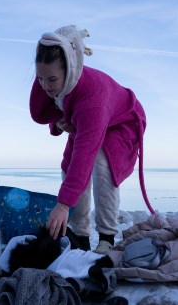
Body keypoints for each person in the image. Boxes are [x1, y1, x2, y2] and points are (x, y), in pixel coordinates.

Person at [30, 25, 148, 254]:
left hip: (122, 120)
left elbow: (85, 157)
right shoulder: (51, 81)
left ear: (71, 69)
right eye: (40, 79)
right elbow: (40, 112)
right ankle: (81, 238)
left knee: (101, 164)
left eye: (52, 80)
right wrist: (59, 121)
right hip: (91, 116)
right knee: (69, 167)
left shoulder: (93, 100)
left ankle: (106, 238)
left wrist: (63, 205)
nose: (45, 87)